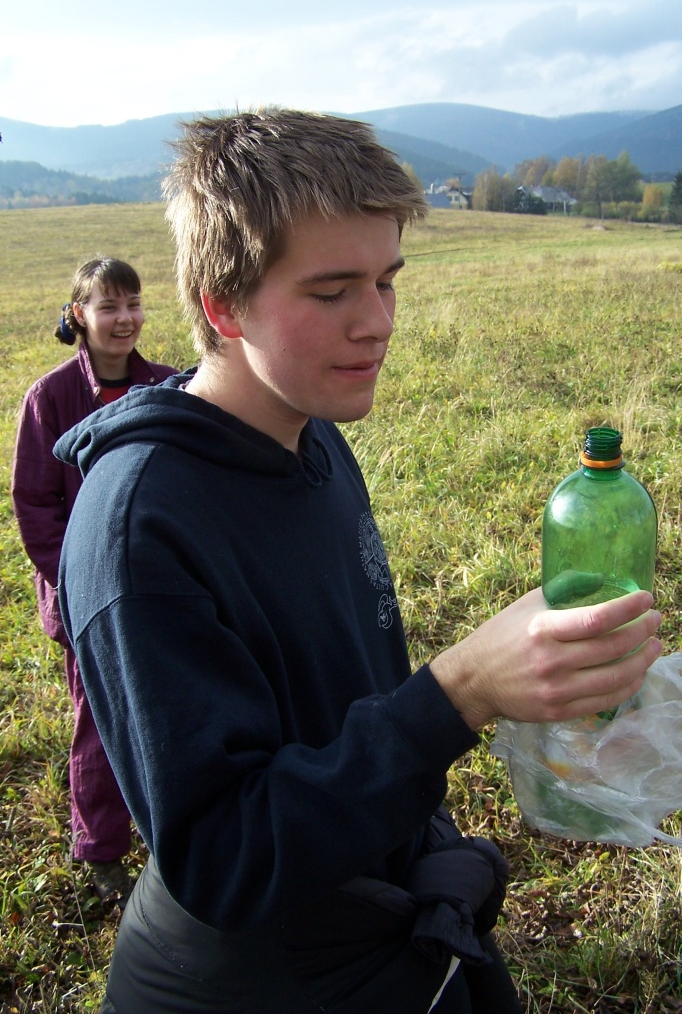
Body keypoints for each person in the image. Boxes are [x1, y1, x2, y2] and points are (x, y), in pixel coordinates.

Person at [54, 112, 661, 1014]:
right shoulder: (141, 529)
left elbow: (344, 689)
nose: (377, 323)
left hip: (380, 902)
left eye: (386, 281)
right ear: (223, 305)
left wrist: (527, 708)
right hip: (259, 979)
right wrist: (457, 694)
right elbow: (224, 860)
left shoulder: (313, 435)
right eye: (333, 290)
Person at [11, 257, 178, 908]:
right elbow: (34, 505)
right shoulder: (50, 399)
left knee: (167, 709)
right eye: (109, 306)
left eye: (133, 303)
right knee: (100, 722)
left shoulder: (165, 387)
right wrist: (79, 583)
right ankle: (103, 851)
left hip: (157, 591)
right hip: (85, 600)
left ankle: (168, 824)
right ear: (78, 314)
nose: (125, 318)